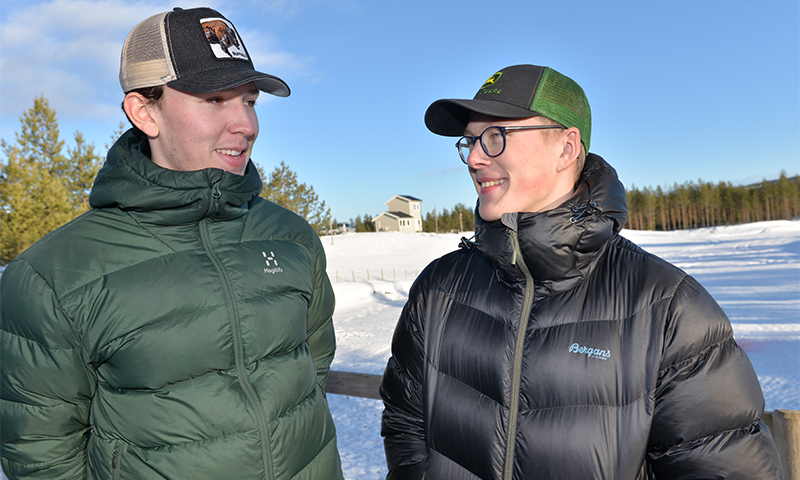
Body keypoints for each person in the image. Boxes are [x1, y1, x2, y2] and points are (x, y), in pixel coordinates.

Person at [379, 64, 784, 479]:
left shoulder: (668, 308)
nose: (476, 157)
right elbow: (405, 420)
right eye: (470, 141)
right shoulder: (439, 289)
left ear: (567, 148)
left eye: (495, 136)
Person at [0, 7, 342, 479]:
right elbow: (41, 455)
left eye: (250, 101)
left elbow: (313, 365)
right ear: (145, 112)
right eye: (216, 99)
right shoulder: (53, 276)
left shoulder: (290, 237)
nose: (246, 124)